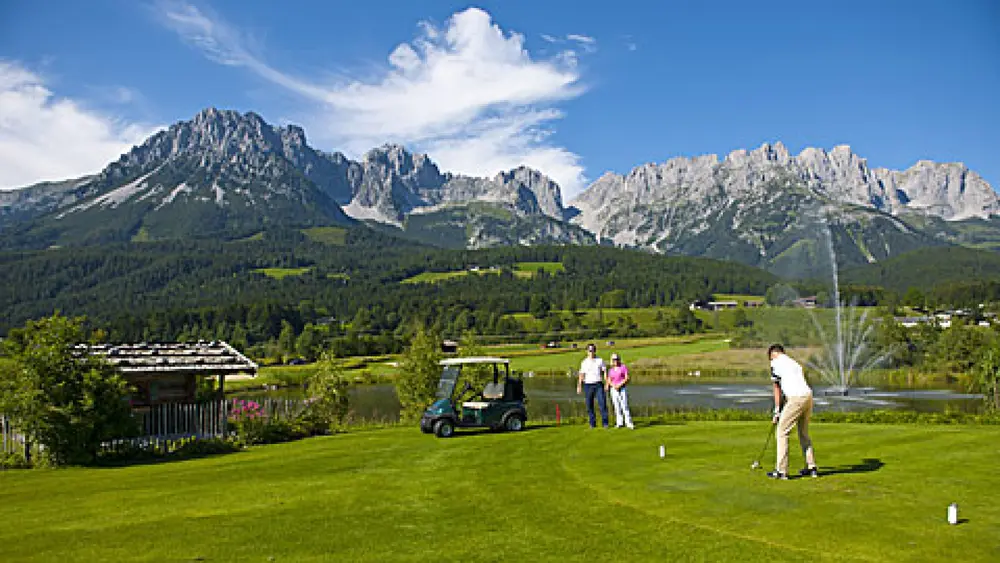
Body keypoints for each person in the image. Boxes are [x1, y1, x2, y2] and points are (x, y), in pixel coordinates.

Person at [767, 343, 818, 480]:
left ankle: (781, 471)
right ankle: (811, 467)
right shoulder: (793, 363)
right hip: (808, 396)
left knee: (782, 432)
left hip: (796, 398)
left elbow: (777, 388)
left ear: (772, 355)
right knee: (803, 433)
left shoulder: (775, 363)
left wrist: (777, 411)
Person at [576, 343, 609, 428]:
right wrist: (579, 386)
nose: (591, 352)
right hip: (588, 385)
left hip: (598, 384)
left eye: (593, 350)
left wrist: (607, 383)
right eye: (590, 350)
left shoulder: (600, 360)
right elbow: (581, 374)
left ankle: (605, 423)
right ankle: (592, 423)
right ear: (587, 351)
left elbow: (605, 372)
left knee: (602, 403)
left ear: (595, 351)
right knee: (589, 405)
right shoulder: (584, 362)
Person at [607, 352, 635, 429]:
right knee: (617, 407)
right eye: (614, 359)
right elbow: (609, 380)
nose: (615, 361)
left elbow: (627, 378)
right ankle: (619, 423)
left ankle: (629, 423)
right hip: (614, 389)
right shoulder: (611, 370)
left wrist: (620, 385)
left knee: (624, 406)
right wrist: (614, 386)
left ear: (619, 359)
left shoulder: (623, 367)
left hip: (622, 389)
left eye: (616, 359)